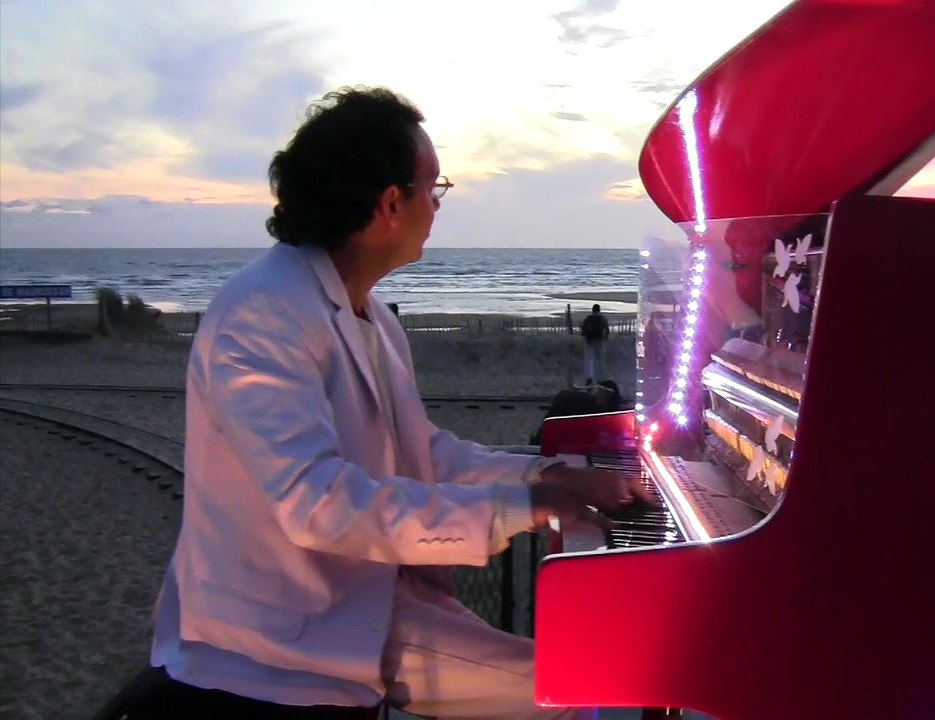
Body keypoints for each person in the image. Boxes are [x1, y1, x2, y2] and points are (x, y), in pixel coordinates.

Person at [141, 87, 650, 720]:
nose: (437, 207)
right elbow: (317, 504)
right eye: (432, 189)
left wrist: (546, 477)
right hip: (284, 635)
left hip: (367, 598)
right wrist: (527, 506)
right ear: (390, 204)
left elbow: (426, 454)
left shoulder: (373, 315)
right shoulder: (262, 312)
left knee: (582, 677)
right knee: (579, 690)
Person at [579, 304, 609, 384]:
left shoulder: (588, 318)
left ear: (592, 310)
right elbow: (606, 330)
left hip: (589, 342)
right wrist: (605, 339)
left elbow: (583, 330)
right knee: (599, 360)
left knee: (589, 360)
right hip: (599, 341)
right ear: (599, 310)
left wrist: (586, 338)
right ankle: (599, 379)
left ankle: (589, 378)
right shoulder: (602, 318)